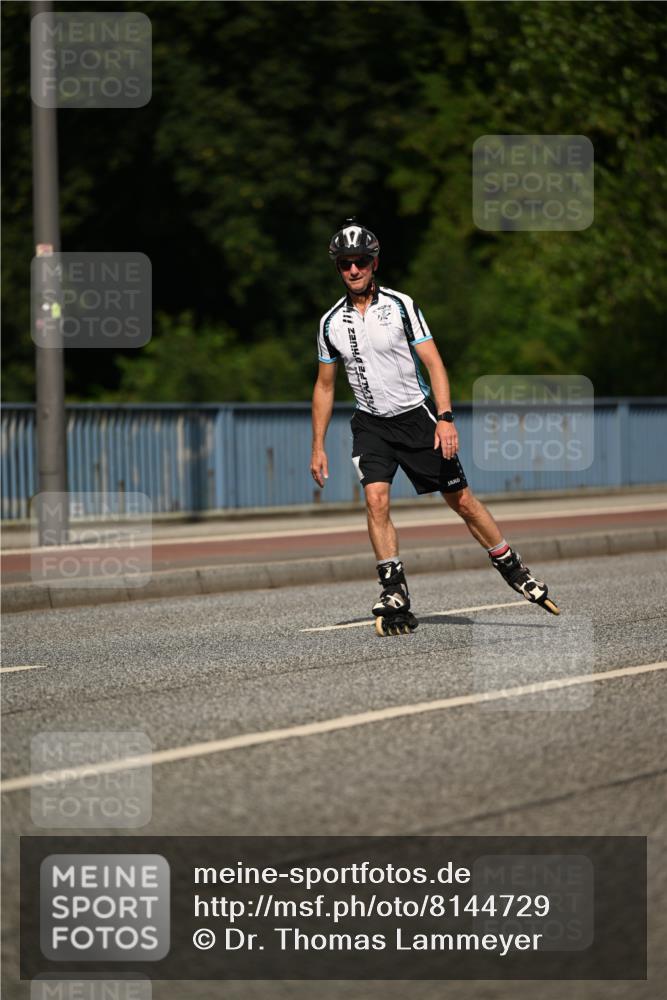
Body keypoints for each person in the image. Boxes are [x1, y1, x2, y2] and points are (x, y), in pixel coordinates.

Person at [310, 219, 559, 636]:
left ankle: (511, 565)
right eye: (345, 264)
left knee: (460, 501)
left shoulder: (401, 305)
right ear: (337, 268)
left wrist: (444, 418)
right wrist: (317, 445)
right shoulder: (329, 322)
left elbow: (435, 364)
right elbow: (324, 385)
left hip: (416, 417)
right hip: (370, 422)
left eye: (361, 262)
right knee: (376, 500)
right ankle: (393, 589)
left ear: (375, 263)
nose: (353, 270)